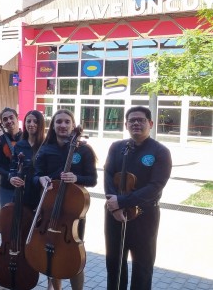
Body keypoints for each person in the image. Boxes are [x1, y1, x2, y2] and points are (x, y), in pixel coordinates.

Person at [104, 106, 172, 290]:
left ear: (150, 124)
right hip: (115, 214)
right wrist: (115, 206)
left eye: (140, 120)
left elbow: (156, 186)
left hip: (145, 215)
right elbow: (108, 174)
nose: (136, 123)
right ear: (126, 124)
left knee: (143, 266)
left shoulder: (160, 151)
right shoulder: (117, 147)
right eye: (132, 120)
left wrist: (122, 202)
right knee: (114, 264)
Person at [34, 109, 97, 290]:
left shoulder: (84, 150)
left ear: (72, 125)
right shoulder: (45, 149)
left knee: (74, 255)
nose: (62, 125)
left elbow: (92, 179)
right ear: (53, 126)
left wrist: (77, 178)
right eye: (58, 122)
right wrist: (40, 179)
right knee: (51, 253)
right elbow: (36, 175)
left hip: (73, 212)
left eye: (66, 122)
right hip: (50, 210)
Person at [8, 110, 46, 211]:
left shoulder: (46, 146)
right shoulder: (20, 145)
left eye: (35, 121)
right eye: (28, 121)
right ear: (25, 123)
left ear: (41, 124)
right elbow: (12, 168)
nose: (31, 124)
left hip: (39, 195)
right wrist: (11, 178)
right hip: (20, 193)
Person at [0, 107, 22, 209]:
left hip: (24, 187)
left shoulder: (26, 138)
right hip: (5, 188)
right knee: (5, 221)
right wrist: (10, 176)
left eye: (11, 117)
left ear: (17, 118)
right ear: (2, 123)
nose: (9, 121)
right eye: (5, 119)